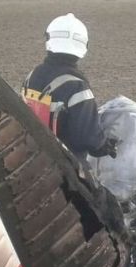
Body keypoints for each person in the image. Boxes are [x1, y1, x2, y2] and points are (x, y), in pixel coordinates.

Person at [21, 13, 116, 160]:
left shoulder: (32, 75)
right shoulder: (77, 86)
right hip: (62, 169)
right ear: (84, 45)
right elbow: (86, 137)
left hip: (29, 158)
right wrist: (102, 146)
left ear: (49, 39)